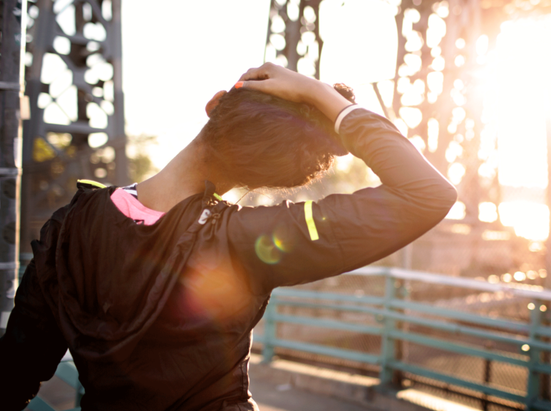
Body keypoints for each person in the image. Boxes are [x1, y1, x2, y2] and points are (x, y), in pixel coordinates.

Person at [0, 63, 457, 410]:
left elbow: (14, 374)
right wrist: (322, 97)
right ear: (280, 180)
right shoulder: (246, 241)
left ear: (214, 104)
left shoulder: (70, 226)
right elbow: (427, 194)